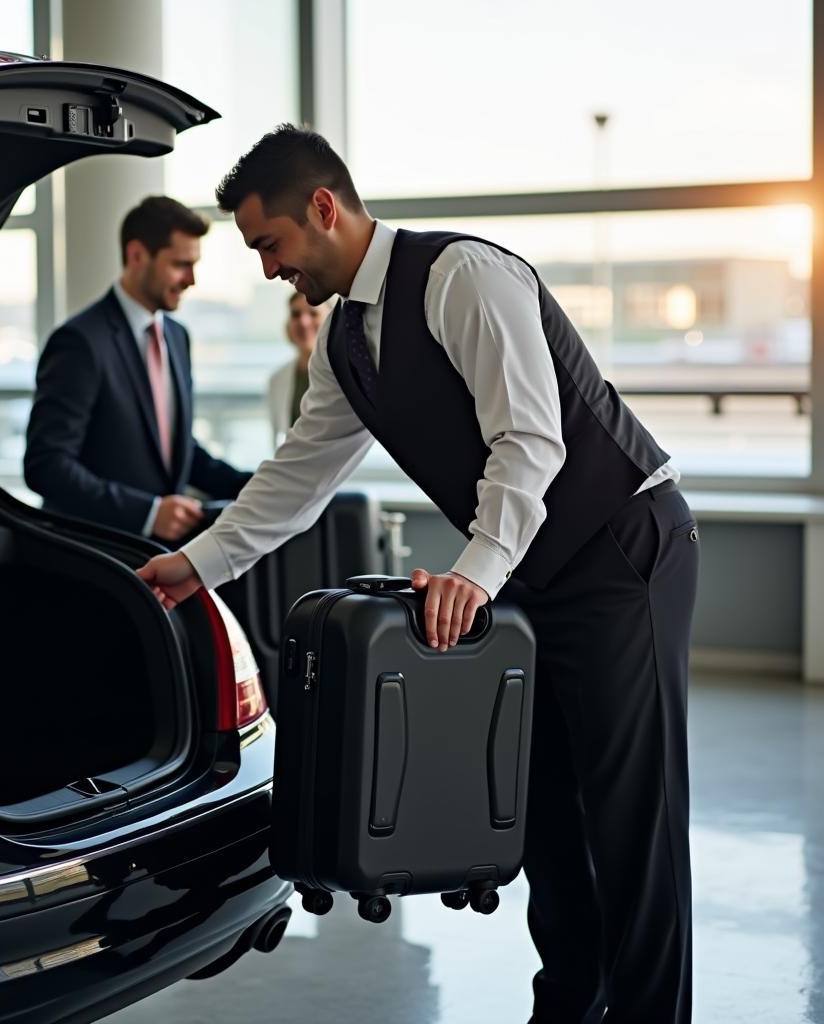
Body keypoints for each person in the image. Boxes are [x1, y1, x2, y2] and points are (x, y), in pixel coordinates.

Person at [138, 125, 698, 1024]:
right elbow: (299, 475)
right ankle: (567, 1010)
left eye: (269, 244)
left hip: (623, 548)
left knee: (633, 821)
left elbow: (530, 439)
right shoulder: (346, 341)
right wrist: (197, 565)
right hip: (533, 569)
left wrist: (473, 576)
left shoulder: (462, 277)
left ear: (323, 209)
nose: (269, 269)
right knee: (547, 817)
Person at [24, 195, 250, 544]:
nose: (191, 279)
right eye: (180, 264)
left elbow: (174, 448)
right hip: (96, 557)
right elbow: (47, 466)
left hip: (160, 557)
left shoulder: (177, 336)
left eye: (194, 264)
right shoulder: (79, 341)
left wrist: (256, 487)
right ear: (137, 255)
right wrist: (146, 513)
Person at [267, 290, 328, 446]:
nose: (303, 322)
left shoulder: (345, 375)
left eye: (313, 313)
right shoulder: (277, 379)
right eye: (295, 314)